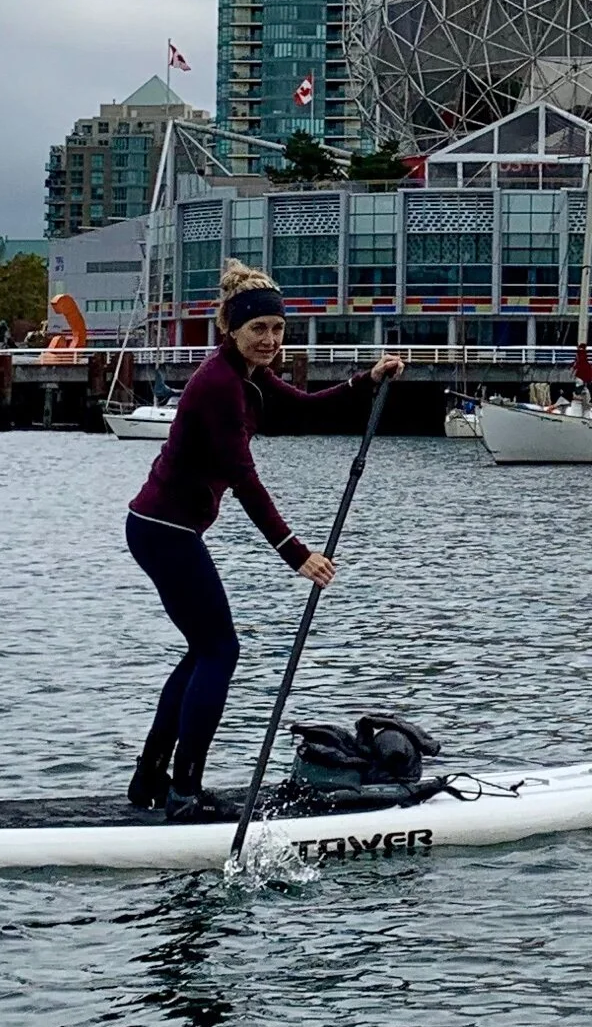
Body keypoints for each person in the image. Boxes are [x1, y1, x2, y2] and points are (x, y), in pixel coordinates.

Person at [124, 260, 404, 819]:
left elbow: (304, 407)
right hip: (164, 531)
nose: (271, 340)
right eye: (259, 330)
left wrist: (365, 380)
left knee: (203, 651)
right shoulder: (219, 387)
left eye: (278, 330)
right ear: (231, 329)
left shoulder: (244, 375)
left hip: (163, 529)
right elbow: (245, 480)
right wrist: (296, 554)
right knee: (221, 651)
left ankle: (150, 780)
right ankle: (183, 792)